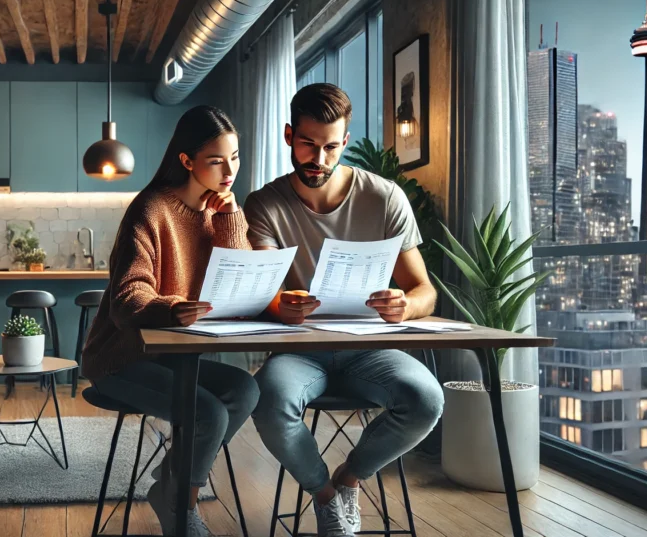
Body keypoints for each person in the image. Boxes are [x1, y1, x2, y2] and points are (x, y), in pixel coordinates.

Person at [244, 84, 444, 537]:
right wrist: (280, 305)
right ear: (289, 135)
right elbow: (261, 292)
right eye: (308, 144)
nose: (319, 158)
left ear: (345, 142)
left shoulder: (385, 197)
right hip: (298, 351)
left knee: (426, 400)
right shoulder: (264, 205)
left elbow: (424, 290)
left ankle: (349, 479)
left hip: (368, 346)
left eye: (331, 147)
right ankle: (324, 495)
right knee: (268, 400)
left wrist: (405, 305)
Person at [81, 105, 259, 537]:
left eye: (234, 157)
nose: (228, 170)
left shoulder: (221, 213)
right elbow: (127, 299)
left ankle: (172, 487)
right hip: (121, 358)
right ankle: (181, 507)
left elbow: (241, 282)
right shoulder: (151, 209)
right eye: (216, 160)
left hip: (176, 356)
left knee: (245, 389)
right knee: (209, 416)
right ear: (187, 161)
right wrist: (169, 307)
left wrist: (230, 220)